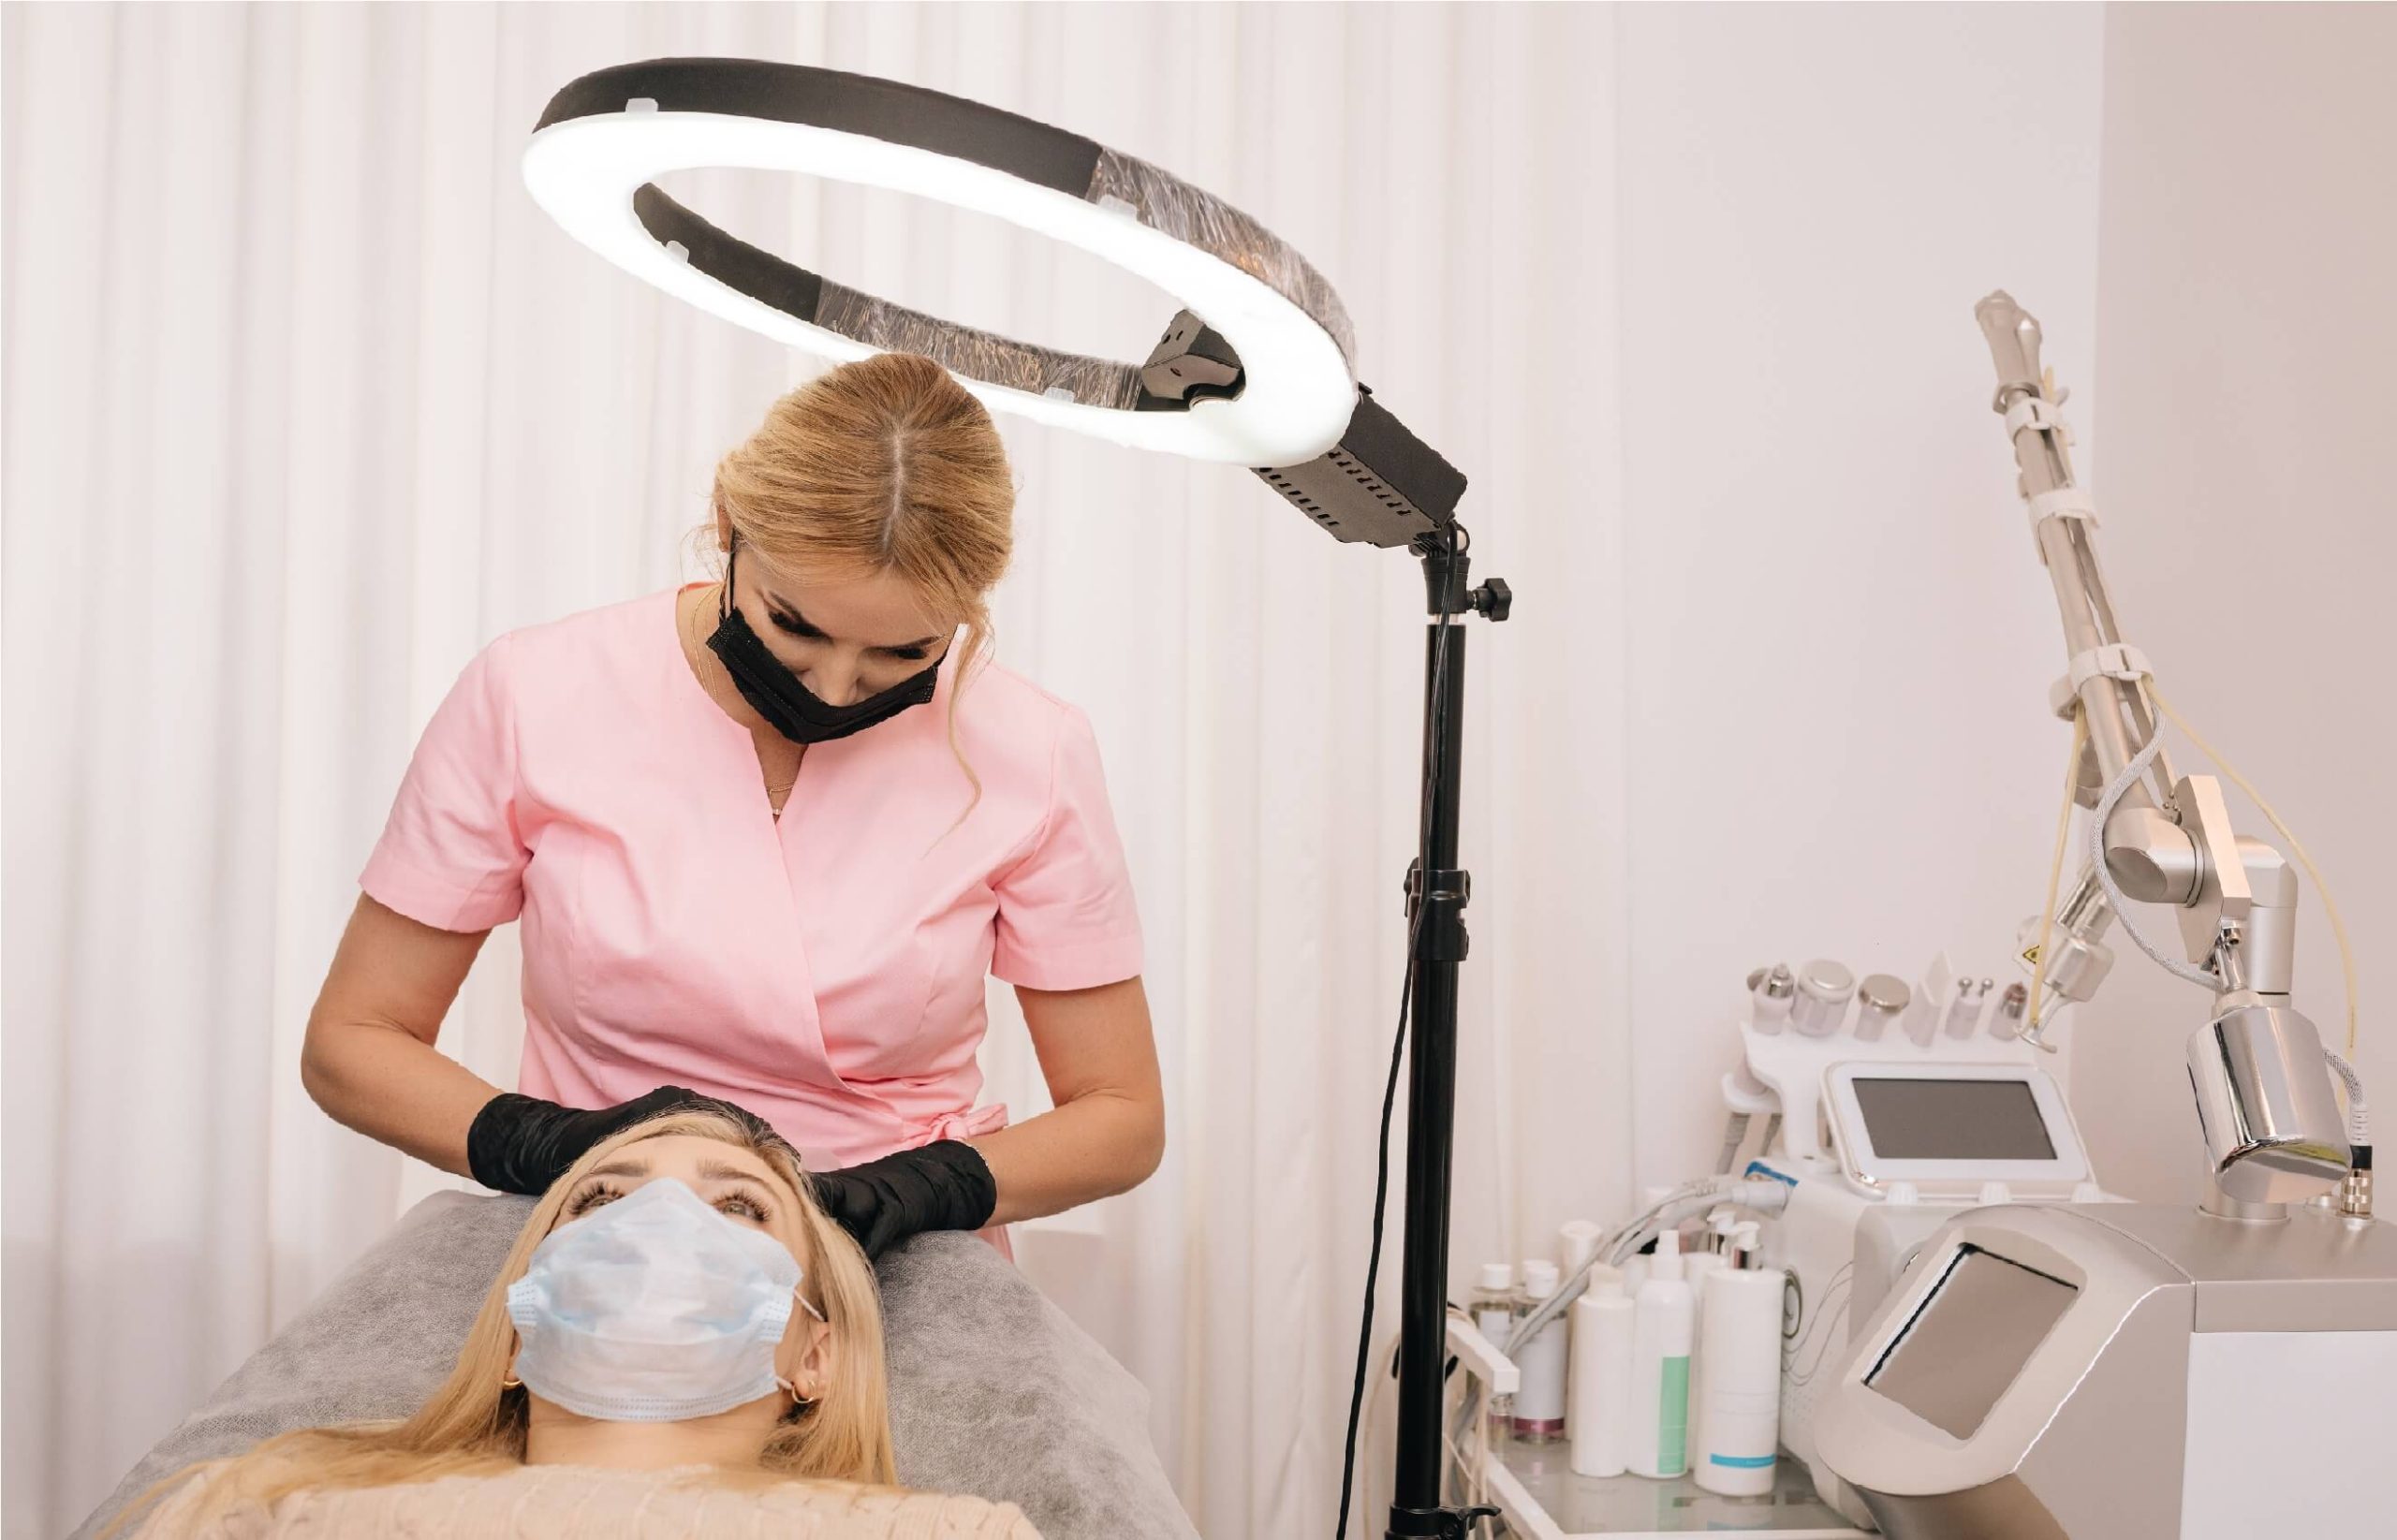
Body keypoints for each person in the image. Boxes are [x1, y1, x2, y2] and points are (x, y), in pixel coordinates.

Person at [300, 351, 1164, 1257]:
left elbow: (1121, 1113)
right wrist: (559, 1150)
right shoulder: (537, 693)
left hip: (901, 1252)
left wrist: (910, 1191)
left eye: (903, 653)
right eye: (795, 626)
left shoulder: (1032, 748)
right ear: (727, 531)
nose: (834, 690)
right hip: (600, 1231)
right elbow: (355, 1039)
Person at [108, 1108, 1041, 1539]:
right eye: (599, 1198)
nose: (652, 1225)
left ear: (816, 1355)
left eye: (740, 1208)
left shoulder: (949, 1534)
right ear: (517, 1325)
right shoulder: (268, 1500)